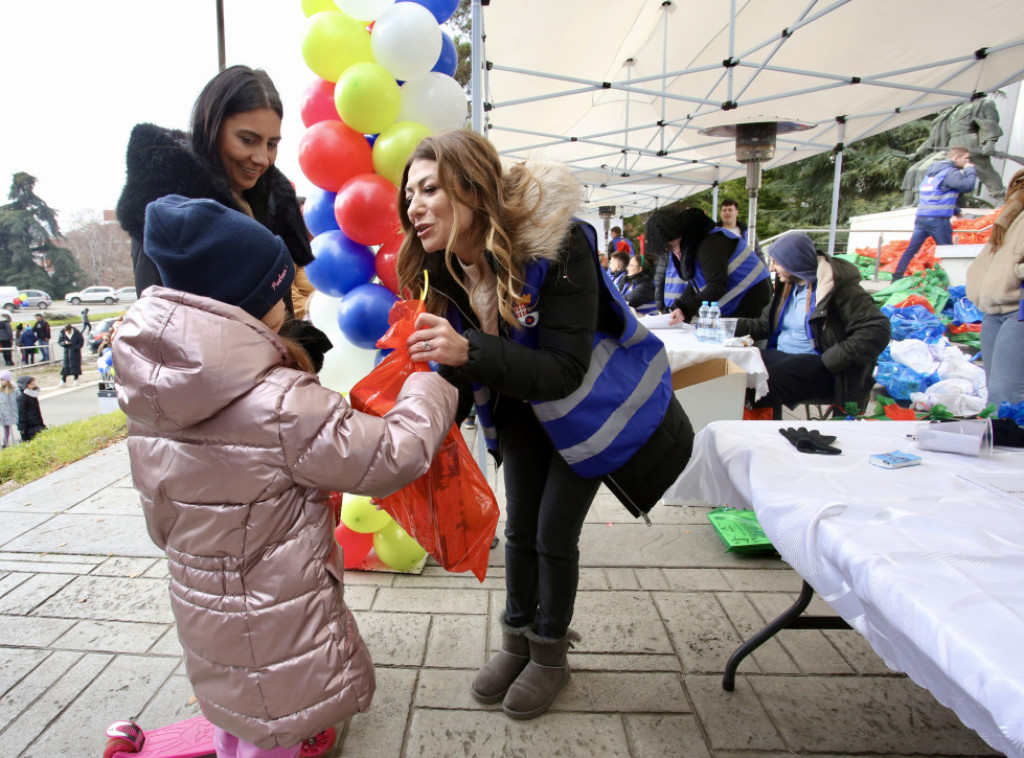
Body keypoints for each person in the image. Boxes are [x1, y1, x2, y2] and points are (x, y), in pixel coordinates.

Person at [113, 195, 457, 756]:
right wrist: (428, 386)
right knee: (270, 726)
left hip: (203, 603)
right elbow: (391, 455)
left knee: (236, 706)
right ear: (247, 304)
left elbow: (161, 519)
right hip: (277, 612)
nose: (293, 299)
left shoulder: (150, 395)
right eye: (282, 292)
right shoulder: (278, 403)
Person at [396, 130, 693, 720]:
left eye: (429, 188)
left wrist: (467, 351)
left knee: (555, 533)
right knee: (520, 530)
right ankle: (517, 641)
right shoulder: (445, 269)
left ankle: (550, 655)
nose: (413, 206)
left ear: (472, 189)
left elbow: (562, 369)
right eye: (409, 194)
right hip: (523, 411)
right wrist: (404, 418)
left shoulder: (559, 246)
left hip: (589, 410)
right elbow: (459, 373)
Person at [115, 64, 330, 369]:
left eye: (272, 144)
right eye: (247, 140)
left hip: (276, 385)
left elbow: (277, 310)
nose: (262, 158)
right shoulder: (168, 216)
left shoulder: (266, 199)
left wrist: (297, 344)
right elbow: (167, 333)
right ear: (211, 128)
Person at [737, 233, 891, 417]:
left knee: (764, 379)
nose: (772, 268)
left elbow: (878, 328)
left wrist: (832, 359)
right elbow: (764, 325)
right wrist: (724, 325)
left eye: (777, 262)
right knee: (738, 367)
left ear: (793, 262)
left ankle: (767, 437)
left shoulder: (839, 289)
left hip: (825, 367)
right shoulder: (788, 286)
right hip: (785, 358)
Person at [647, 206, 771, 321]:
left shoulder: (710, 244)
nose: (673, 252)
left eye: (672, 246)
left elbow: (716, 286)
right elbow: (697, 284)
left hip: (751, 302)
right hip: (740, 304)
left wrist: (685, 308)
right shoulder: (695, 244)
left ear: (682, 234)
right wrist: (679, 307)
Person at [966, 167, 1024, 408]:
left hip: (1018, 309)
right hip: (994, 310)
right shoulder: (1011, 214)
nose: (1018, 187)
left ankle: (1010, 439)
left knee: (1007, 390)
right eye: (1018, 182)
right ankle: (1003, 436)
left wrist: (1014, 271)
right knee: (996, 389)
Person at [892, 146, 977, 280]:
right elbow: (967, 186)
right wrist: (970, 170)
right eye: (965, 158)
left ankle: (896, 278)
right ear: (955, 158)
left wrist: (957, 211)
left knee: (911, 250)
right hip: (938, 220)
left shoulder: (932, 172)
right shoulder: (951, 172)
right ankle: (951, 282)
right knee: (949, 253)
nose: (967, 161)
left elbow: (937, 195)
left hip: (922, 218)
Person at [16, 375, 45, 443]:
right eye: (31, 384)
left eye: (33, 383)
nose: (33, 385)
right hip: (29, 425)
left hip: (37, 423)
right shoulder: (23, 397)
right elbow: (21, 413)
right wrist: (22, 428)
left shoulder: (33, 395)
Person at [0, 370, 18, 448]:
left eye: (3, 380)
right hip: (4, 413)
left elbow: (18, 398)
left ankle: (24, 436)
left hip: (14, 411)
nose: (1, 382)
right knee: (6, 429)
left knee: (19, 424)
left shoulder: (14, 389)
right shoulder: (1, 390)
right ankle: (5, 443)